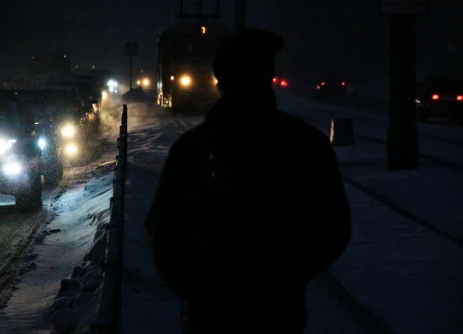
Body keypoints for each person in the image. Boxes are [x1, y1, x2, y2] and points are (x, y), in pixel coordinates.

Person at [144, 28, 352, 333]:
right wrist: (290, 276)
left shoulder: (193, 148)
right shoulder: (305, 142)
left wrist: (194, 287)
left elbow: (162, 229)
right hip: (280, 310)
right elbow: (335, 226)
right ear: (270, 76)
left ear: (219, 80)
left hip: (210, 312)